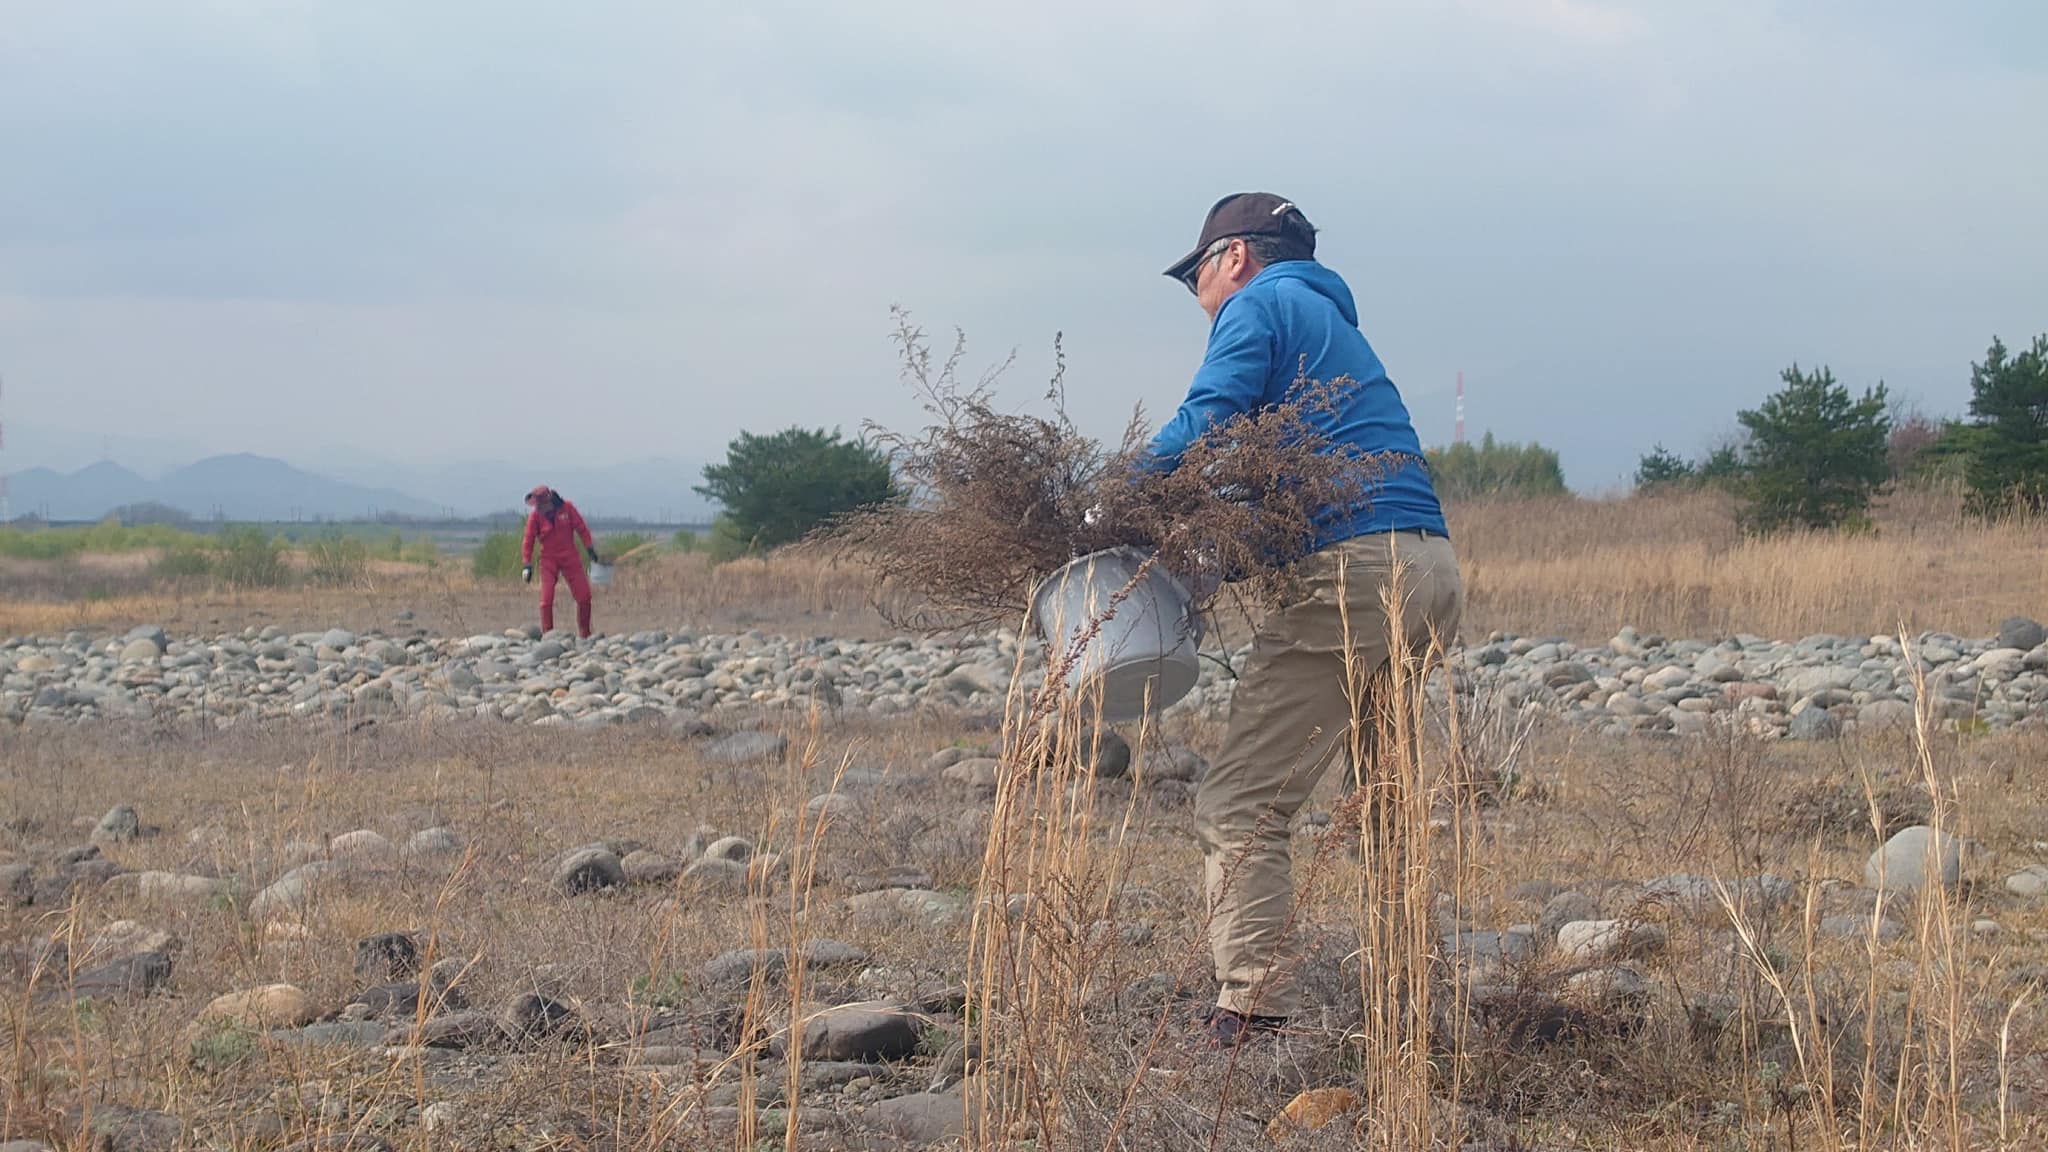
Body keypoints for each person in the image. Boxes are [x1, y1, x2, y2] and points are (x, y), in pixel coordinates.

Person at [1147, 193, 1465, 1047]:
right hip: (1428, 565)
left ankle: (1251, 1012)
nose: (1200, 292)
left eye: (1198, 274)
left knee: (1240, 800)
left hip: (1354, 574)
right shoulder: (1330, 324)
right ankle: (1407, 993)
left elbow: (1205, 420)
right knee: (1383, 795)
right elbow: (1294, 472)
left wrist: (1116, 496)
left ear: (1236, 256)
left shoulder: (1259, 304)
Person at [519, 485, 603, 639]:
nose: (536, 508)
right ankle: (548, 635)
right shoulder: (535, 517)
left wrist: (589, 548)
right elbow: (528, 540)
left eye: (539, 505)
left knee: (584, 596)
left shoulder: (568, 508)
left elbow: (582, 528)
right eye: (535, 505)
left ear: (548, 502)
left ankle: (585, 634)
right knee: (546, 599)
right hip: (548, 559)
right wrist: (527, 564)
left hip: (570, 557)